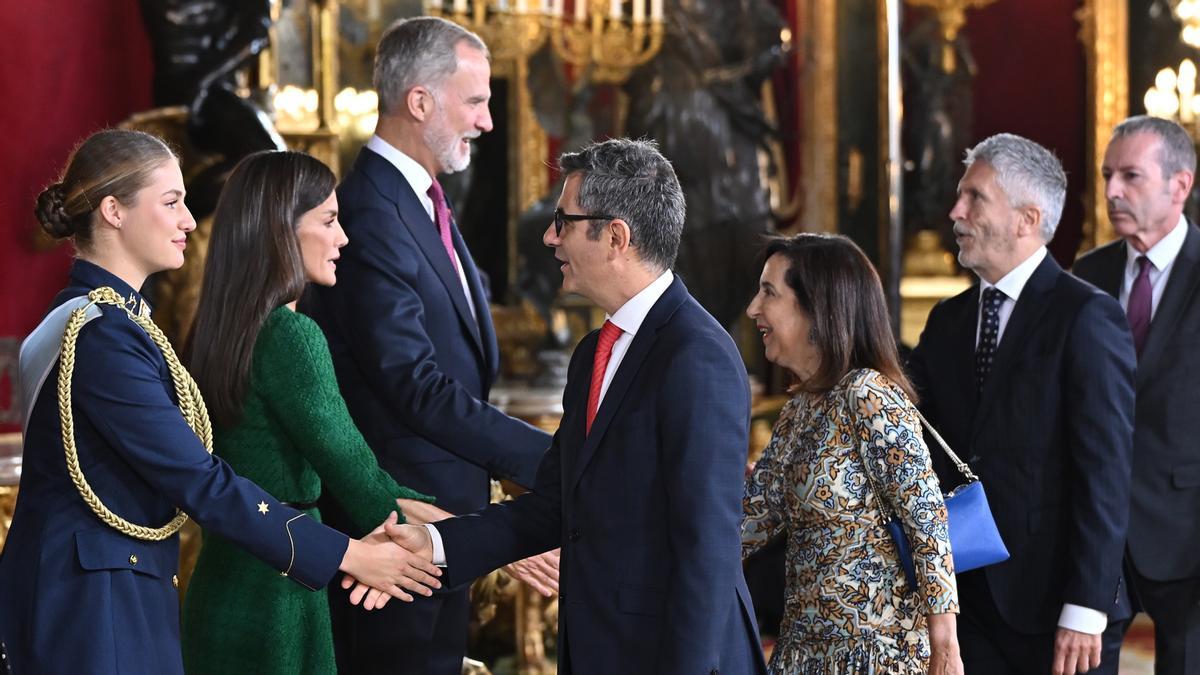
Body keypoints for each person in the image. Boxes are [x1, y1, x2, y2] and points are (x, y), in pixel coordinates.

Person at [0, 129, 441, 675]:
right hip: (97, 605)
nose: (189, 220)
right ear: (114, 211)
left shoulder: (106, 321)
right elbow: (201, 480)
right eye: (171, 202)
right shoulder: (103, 334)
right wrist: (350, 556)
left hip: (116, 588)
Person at [376, 137, 768, 675]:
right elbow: (555, 507)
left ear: (615, 236)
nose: (549, 236)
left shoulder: (696, 356)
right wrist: (436, 543)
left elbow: (706, 553)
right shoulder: (593, 354)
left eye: (563, 220)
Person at [300, 15, 554, 674]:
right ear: (420, 101)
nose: (487, 121)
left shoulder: (419, 201)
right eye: (476, 100)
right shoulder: (371, 212)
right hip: (390, 532)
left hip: (441, 534)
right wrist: (558, 458)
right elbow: (412, 383)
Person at [179, 150, 443, 674]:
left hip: (221, 580)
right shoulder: (290, 334)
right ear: (281, 229)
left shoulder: (212, 331)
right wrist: (483, 540)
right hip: (279, 589)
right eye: (328, 220)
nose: (343, 237)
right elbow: (363, 481)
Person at [907, 133, 1136, 675]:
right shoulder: (948, 320)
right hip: (966, 596)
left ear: (1026, 219)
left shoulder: (1086, 317)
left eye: (974, 198)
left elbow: (1105, 473)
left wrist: (1086, 607)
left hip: (1058, 605)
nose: (955, 212)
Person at [741, 233, 962, 674]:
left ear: (817, 306)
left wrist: (946, 645)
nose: (753, 309)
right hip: (803, 654)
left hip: (876, 657)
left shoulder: (867, 393)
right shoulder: (800, 409)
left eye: (769, 292)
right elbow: (746, 521)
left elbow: (927, 518)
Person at [1072, 115, 1200, 675]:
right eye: (1106, 176)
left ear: (1180, 185)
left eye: (1130, 176)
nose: (1111, 192)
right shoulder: (1087, 274)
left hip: (1187, 536)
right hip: (1096, 538)